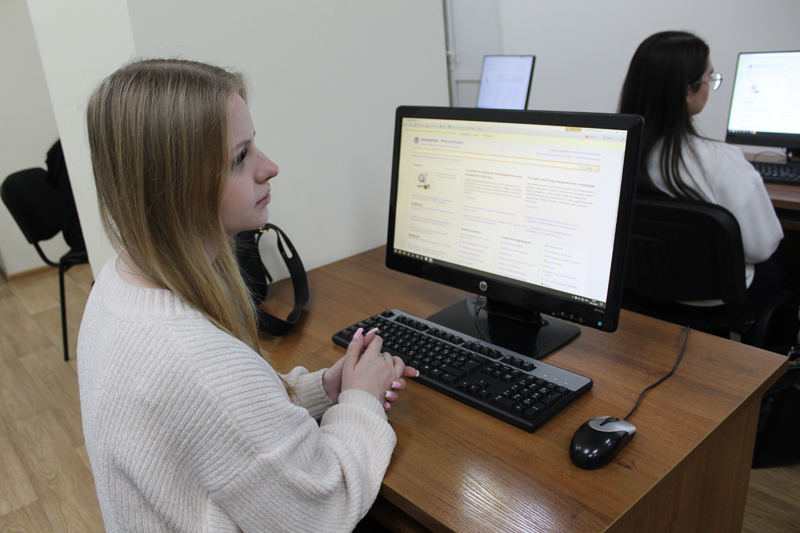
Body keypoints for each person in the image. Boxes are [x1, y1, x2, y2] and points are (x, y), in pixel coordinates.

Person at [78, 58, 416, 532]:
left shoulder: (117, 282)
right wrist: (361, 401)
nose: (270, 167)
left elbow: (223, 430)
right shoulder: (197, 364)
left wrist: (323, 390)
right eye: (240, 157)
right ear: (175, 187)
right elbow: (324, 508)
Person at [618, 31, 785, 305]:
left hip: (639, 296)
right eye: (710, 77)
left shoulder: (616, 155)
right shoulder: (721, 161)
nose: (710, 86)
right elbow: (762, 247)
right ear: (688, 90)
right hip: (715, 305)